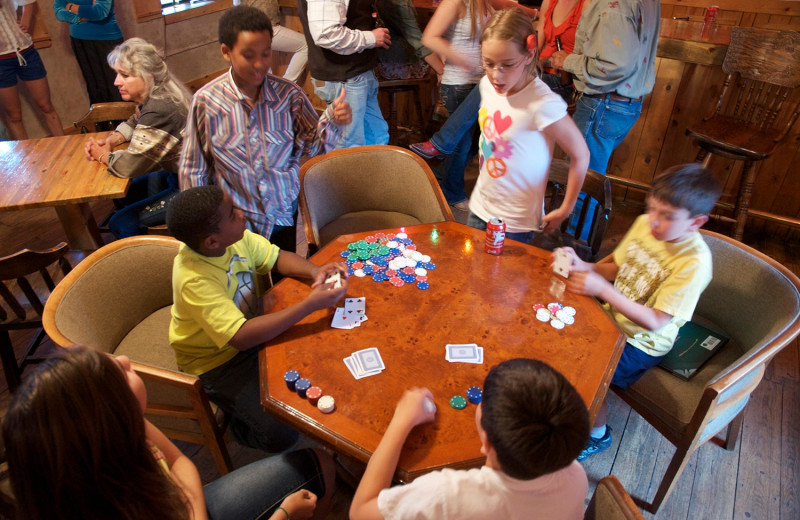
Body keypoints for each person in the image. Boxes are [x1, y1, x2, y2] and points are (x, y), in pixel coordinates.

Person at [2, 346, 336, 520]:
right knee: (321, 466)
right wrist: (284, 512)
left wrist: (191, 510)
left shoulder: (122, 429)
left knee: (319, 462)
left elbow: (180, 463)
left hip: (185, 507)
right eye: (120, 371)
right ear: (112, 418)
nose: (125, 358)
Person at [167, 185, 349, 453]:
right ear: (212, 242)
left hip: (253, 328)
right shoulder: (193, 279)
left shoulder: (236, 238)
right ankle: (236, 426)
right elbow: (240, 338)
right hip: (218, 362)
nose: (241, 213)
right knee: (280, 432)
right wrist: (309, 305)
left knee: (325, 361)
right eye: (232, 214)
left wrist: (316, 271)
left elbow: (277, 257)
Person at [562, 163, 721, 460]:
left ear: (696, 222)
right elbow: (616, 268)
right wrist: (583, 266)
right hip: (610, 316)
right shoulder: (645, 223)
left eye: (668, 217)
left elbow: (656, 322)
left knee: (585, 378)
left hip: (642, 343)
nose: (654, 223)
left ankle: (598, 435)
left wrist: (603, 290)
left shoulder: (694, 264)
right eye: (653, 209)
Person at [180, 6, 352, 253]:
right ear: (226, 52)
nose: (260, 64)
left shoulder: (290, 96)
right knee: (244, 285)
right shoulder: (206, 102)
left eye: (266, 54)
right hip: (234, 221)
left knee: (284, 278)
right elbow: (194, 169)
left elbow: (313, 147)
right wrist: (202, 222)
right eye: (248, 55)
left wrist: (333, 120)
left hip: (281, 212)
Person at [349, 358, 590, 520]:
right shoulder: (576, 476)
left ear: (486, 443)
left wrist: (401, 421)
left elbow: (360, 512)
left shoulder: (445, 495)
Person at [467, 8, 589, 243]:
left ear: (529, 55)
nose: (496, 75)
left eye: (507, 64)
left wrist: (566, 209)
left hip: (515, 221)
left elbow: (581, 154)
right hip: (480, 207)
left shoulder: (542, 102)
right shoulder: (486, 85)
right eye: (488, 63)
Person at [550, 0, 659, 239]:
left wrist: (566, 61)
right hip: (623, 104)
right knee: (588, 181)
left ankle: (570, 255)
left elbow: (612, 66)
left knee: (580, 186)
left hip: (603, 103)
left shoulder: (614, 4)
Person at [420, 0, 539, 211]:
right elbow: (429, 37)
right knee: (462, 144)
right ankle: (452, 194)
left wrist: (535, 13)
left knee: (475, 143)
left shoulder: (490, 3)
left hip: (483, 84)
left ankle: (438, 176)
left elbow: (513, 8)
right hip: (458, 84)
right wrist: (461, 60)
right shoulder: (456, 2)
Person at [83, 37, 191, 238]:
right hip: (177, 176)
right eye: (117, 74)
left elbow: (128, 166)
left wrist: (101, 154)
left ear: (147, 76)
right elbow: (136, 120)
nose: (116, 82)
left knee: (120, 223)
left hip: (195, 188)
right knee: (129, 193)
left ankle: (147, 263)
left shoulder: (160, 109)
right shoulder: (158, 93)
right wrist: (112, 140)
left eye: (124, 75)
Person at [297, 0, 390, 148]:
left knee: (377, 137)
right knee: (348, 146)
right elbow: (326, 34)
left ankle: (371, 171)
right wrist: (371, 38)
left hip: (355, 73)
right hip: (344, 76)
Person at [0, 0, 65, 140]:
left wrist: (25, 20)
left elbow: (28, 1)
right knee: (14, 116)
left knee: (46, 106)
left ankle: (66, 146)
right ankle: (27, 159)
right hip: (1, 62)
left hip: (26, 51)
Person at [53, 0, 124, 105]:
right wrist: (78, 18)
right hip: (79, 40)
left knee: (117, 89)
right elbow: (58, 11)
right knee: (95, 90)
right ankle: (102, 121)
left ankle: (126, 121)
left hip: (107, 39)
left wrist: (70, 6)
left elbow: (99, 12)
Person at [374, 0, 443, 80]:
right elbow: (418, 44)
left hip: (378, 60)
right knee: (444, 54)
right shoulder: (400, 3)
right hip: (394, 64)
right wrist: (443, 72)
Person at [244, 0, 309, 84]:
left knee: (266, 77)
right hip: (262, 26)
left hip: (249, 28)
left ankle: (281, 88)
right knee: (306, 45)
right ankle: (286, 86)